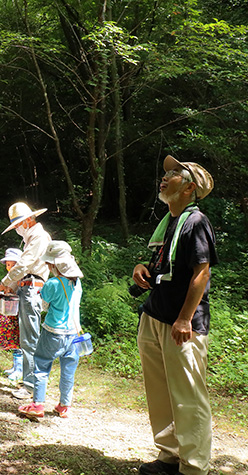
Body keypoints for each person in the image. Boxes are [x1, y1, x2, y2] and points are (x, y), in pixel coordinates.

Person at [131, 156, 217, 475]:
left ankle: (193, 467)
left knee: (188, 397)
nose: (165, 178)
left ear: (189, 187)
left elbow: (201, 273)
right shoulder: (170, 222)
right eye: (165, 173)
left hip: (182, 325)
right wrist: (143, 268)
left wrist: (184, 319)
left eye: (174, 174)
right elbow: (163, 268)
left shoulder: (196, 222)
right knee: (161, 392)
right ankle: (169, 456)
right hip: (155, 317)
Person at [18, 241, 83, 420]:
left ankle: (38, 404)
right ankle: (64, 405)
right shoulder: (78, 284)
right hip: (73, 333)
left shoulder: (53, 283)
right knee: (68, 370)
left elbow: (45, 305)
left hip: (53, 332)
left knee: (41, 365)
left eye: (49, 263)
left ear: (55, 265)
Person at [0, 203, 51, 399]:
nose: (18, 228)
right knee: (27, 338)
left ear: (28, 220)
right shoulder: (32, 237)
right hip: (27, 288)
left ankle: (31, 385)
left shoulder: (38, 237)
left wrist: (5, 282)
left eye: (19, 223)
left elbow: (25, 264)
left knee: (30, 339)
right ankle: (32, 382)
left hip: (32, 289)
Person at [0, 248, 23, 380]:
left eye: (13, 265)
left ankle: (20, 368)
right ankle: (15, 366)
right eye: (8, 265)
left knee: (20, 340)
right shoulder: (8, 279)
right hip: (10, 313)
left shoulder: (22, 278)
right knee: (13, 341)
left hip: (19, 313)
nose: (10, 268)